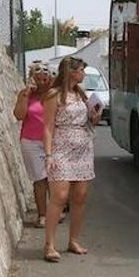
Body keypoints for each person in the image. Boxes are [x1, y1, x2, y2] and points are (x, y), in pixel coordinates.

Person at [41, 57, 102, 263]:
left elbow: (90, 122)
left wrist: (95, 115)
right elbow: (48, 127)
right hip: (61, 148)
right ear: (71, 72)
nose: (84, 74)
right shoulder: (54, 95)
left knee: (80, 196)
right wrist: (48, 155)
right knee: (59, 195)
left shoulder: (80, 94)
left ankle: (73, 240)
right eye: (81, 70)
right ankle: (49, 244)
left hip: (83, 148)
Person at [14, 61, 52, 228]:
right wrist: (27, 94)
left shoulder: (53, 95)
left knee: (54, 178)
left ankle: (55, 209)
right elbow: (19, 115)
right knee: (39, 179)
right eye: (39, 79)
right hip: (30, 141)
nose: (42, 82)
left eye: (45, 78)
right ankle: (42, 214)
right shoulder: (26, 94)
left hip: (52, 141)